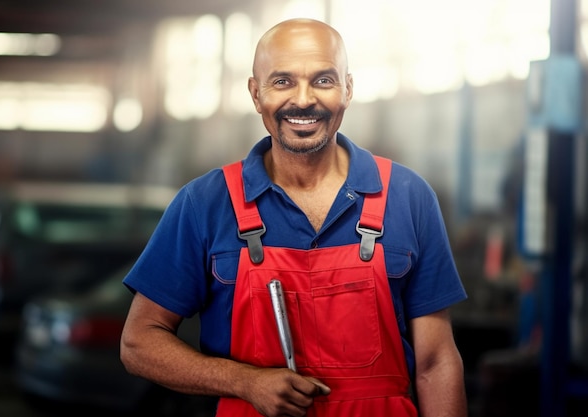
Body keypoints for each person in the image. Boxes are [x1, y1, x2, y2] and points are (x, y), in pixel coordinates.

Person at [120, 17, 468, 417]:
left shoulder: (408, 197)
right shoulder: (205, 203)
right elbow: (138, 343)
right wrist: (244, 382)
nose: (303, 100)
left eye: (323, 80)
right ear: (255, 93)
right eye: (282, 81)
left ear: (348, 89)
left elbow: (436, 362)